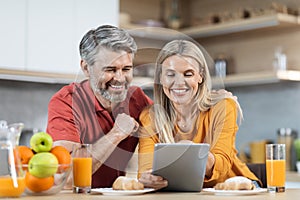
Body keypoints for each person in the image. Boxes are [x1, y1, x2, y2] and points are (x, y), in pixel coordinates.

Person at [137, 39, 260, 189]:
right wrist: (149, 179)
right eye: (170, 74)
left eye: (188, 74)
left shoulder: (223, 107)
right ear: (161, 78)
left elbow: (222, 164)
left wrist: (191, 152)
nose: (179, 82)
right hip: (182, 193)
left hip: (236, 189)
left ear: (200, 76)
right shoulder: (150, 117)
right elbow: (145, 171)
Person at [46, 25, 153, 188]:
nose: (120, 78)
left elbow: (167, 129)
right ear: (86, 68)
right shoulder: (66, 102)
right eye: (110, 69)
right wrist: (117, 133)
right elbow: (65, 178)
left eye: (126, 69)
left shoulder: (137, 99)